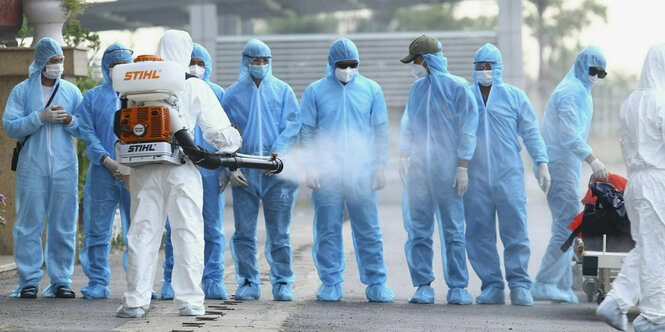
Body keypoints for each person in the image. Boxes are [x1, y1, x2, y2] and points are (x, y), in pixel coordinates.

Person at [116, 30, 241, 318]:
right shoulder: (194, 86)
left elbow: (125, 128)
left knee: (143, 233)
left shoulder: (137, 85)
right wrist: (233, 140)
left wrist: (125, 169)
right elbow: (218, 132)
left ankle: (135, 301)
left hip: (144, 169)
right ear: (186, 52)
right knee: (188, 233)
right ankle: (190, 301)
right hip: (182, 167)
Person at [300, 38, 394, 303]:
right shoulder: (315, 91)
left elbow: (380, 130)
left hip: (362, 172)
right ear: (332, 64)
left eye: (353, 65)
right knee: (327, 229)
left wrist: (380, 165)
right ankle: (330, 282)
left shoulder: (371, 89)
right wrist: (309, 166)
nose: (348, 69)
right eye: (343, 65)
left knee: (369, 229)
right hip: (327, 172)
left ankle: (377, 282)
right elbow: (306, 130)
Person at [463, 43, 550, 306]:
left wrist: (541, 161)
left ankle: (520, 284)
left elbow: (531, 131)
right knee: (479, 232)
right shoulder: (466, 96)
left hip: (508, 174)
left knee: (515, 230)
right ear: (474, 68)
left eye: (489, 66)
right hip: (475, 177)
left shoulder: (515, 97)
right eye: (480, 66)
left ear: (498, 68)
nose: (484, 71)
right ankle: (491, 285)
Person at [400, 35, 478, 305]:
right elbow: (409, 124)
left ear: (425, 59)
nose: (414, 66)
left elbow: (468, 129)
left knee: (454, 230)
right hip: (420, 169)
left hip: (448, 170)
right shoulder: (417, 89)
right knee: (419, 228)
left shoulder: (458, 87)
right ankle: (423, 285)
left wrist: (462, 166)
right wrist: (405, 154)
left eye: (415, 61)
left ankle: (458, 286)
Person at [2, 37, 82, 298]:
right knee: (29, 222)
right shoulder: (22, 91)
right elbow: (11, 125)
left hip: (64, 166)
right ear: (41, 62)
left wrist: (69, 119)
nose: (57, 65)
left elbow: (84, 127)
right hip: (32, 166)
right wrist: (39, 117)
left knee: (64, 223)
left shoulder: (71, 91)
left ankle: (61, 280)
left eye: (60, 60)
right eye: (52, 61)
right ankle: (29, 280)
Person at [221, 39, 301, 301]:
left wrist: (276, 156)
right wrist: (230, 167)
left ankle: (282, 282)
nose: (261, 65)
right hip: (244, 170)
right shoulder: (231, 94)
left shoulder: (283, 90)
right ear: (246, 62)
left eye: (265, 60)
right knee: (244, 232)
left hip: (276, 171)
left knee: (279, 231)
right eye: (256, 61)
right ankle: (247, 282)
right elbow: (225, 132)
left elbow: (292, 125)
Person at [596, 44, 665, 332]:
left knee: (647, 248)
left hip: (635, 182)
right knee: (657, 250)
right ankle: (654, 318)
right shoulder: (661, 102)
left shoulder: (630, 102)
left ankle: (617, 301)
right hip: (656, 182)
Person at [532, 45, 608, 303]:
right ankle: (544, 282)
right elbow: (567, 134)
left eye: (602, 73)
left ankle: (562, 286)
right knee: (567, 227)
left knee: (566, 224)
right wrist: (592, 159)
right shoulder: (571, 92)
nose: (597, 76)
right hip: (559, 163)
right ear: (582, 66)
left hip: (565, 164)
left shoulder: (581, 90)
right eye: (594, 70)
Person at [161, 43, 230, 300]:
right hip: (179, 165)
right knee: (175, 225)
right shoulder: (171, 90)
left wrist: (228, 166)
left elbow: (226, 129)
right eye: (192, 61)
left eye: (201, 63)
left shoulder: (217, 93)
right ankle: (170, 279)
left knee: (212, 228)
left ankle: (213, 279)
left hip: (210, 170)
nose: (196, 67)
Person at [78, 43, 134, 299]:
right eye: (114, 66)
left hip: (135, 172)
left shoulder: (140, 97)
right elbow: (87, 132)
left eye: (124, 65)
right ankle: (97, 282)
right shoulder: (92, 97)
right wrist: (107, 160)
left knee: (138, 230)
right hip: (103, 172)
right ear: (105, 68)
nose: (119, 70)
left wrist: (131, 165)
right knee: (97, 230)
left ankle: (138, 284)